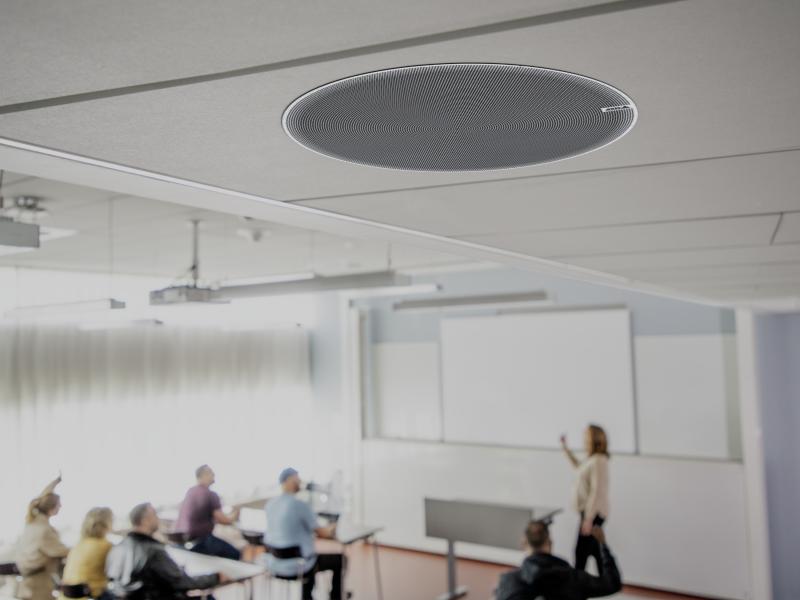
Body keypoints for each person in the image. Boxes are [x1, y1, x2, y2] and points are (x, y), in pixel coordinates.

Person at [106, 502, 229, 600]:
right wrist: (215, 577)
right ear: (145, 520)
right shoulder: (153, 551)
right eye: (154, 514)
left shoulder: (118, 548)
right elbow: (181, 582)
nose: (157, 518)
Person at [264, 468, 344, 600]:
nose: (300, 481)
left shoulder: (270, 504)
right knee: (340, 559)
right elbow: (323, 533)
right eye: (297, 478)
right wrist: (333, 526)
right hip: (299, 565)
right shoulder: (299, 505)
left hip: (274, 563)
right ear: (289, 480)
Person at [494, 520, 621, 600]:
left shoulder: (507, 581)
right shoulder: (575, 579)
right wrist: (603, 545)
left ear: (523, 543)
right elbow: (612, 584)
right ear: (550, 542)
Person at [560, 425, 610, 572]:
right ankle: (606, 580)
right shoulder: (591, 459)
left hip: (593, 514)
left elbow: (597, 491)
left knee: (580, 552)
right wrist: (565, 448)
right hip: (588, 514)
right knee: (594, 550)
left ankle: (578, 587)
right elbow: (578, 467)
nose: (583, 440)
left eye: (585, 437)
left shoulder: (599, 461)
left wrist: (588, 519)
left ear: (594, 439)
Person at [15, 475, 70, 600]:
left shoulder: (32, 522)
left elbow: (41, 497)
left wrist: (55, 483)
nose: (61, 507)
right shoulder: (44, 531)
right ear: (52, 508)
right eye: (59, 505)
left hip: (29, 581)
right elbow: (62, 551)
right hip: (38, 584)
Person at [173, 465, 241, 560]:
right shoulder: (210, 494)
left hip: (183, 542)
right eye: (211, 473)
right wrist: (236, 514)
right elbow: (224, 521)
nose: (214, 475)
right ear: (204, 475)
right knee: (235, 554)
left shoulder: (190, 492)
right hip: (200, 542)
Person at [59, 507, 115, 600]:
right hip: (88, 596)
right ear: (107, 523)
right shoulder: (106, 546)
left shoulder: (79, 545)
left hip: (65, 597)